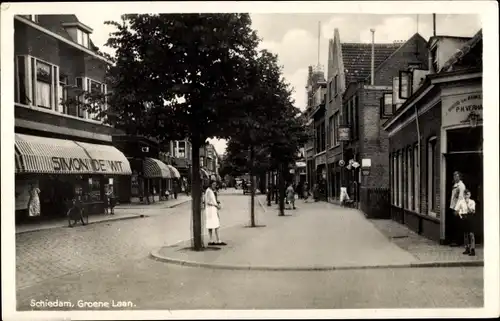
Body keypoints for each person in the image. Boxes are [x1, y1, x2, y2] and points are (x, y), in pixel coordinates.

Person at [455, 189, 477, 256]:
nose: (467, 196)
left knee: (471, 234)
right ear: (464, 195)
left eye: (468, 194)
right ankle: (467, 248)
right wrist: (460, 214)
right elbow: (456, 210)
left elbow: (472, 211)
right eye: (465, 194)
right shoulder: (461, 202)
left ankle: (472, 249)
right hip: (464, 217)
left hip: (470, 217)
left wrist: (467, 204)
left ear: (470, 195)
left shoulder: (472, 202)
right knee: (465, 234)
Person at [205, 180, 226, 246]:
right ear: (210, 184)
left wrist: (217, 202)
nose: (214, 186)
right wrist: (216, 205)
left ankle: (215, 240)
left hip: (213, 209)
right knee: (212, 225)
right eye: (213, 184)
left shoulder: (211, 191)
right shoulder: (208, 191)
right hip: (210, 210)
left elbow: (212, 200)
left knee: (215, 224)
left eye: (215, 184)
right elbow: (207, 202)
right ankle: (215, 240)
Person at [449, 171, 466, 246]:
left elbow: (461, 198)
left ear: (460, 177)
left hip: (458, 208)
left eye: (456, 176)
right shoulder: (455, 185)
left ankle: (457, 241)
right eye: (454, 176)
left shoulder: (461, 186)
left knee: (458, 225)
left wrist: (457, 209)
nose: (455, 177)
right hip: (453, 207)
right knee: (454, 224)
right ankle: (455, 240)